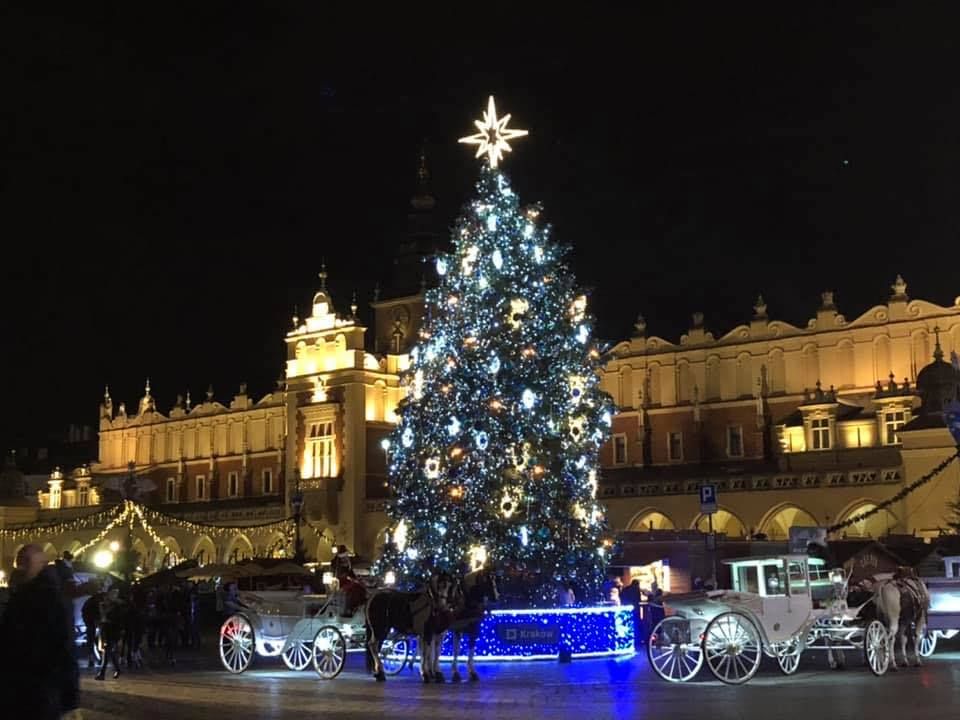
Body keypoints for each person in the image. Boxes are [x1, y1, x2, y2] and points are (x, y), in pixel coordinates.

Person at [0, 544, 79, 718]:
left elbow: (64, 646)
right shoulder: (20, 596)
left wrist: (70, 695)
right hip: (20, 687)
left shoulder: (48, 598)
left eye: (24, 563)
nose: (20, 568)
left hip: (40, 688)